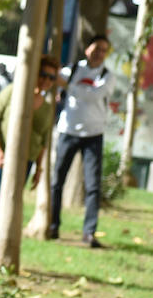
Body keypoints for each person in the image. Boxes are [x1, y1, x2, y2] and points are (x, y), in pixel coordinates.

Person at [0, 55, 60, 256]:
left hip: (26, 161)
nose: (46, 80)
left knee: (12, 205)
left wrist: (39, 168)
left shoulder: (48, 108)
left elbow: (42, 142)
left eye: (51, 77)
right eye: (43, 75)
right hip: (2, 156)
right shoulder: (14, 92)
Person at [48, 35, 113, 247]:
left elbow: (94, 95)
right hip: (68, 131)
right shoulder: (72, 70)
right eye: (96, 49)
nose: (99, 54)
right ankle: (53, 224)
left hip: (94, 134)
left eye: (104, 50)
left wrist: (68, 87)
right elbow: (53, 82)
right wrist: (61, 86)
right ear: (87, 49)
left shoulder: (107, 76)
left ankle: (89, 232)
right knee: (58, 180)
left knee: (93, 185)